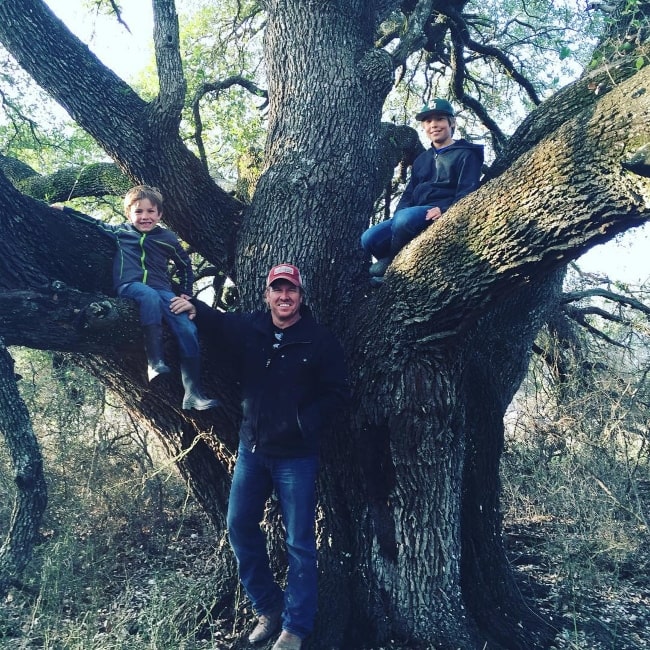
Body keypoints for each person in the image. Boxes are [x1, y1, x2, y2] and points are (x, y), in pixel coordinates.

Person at [170, 263, 349, 650]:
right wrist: (193, 308)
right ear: (267, 294)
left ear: (301, 296)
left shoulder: (319, 340)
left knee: (300, 543)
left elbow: (338, 392)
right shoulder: (252, 327)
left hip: (296, 459)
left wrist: (304, 422)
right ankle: (269, 608)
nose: (284, 296)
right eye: (277, 289)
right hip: (251, 451)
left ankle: (296, 628)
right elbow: (219, 323)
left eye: (291, 290)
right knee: (239, 528)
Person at [52, 185, 219, 411]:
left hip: (163, 290)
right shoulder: (122, 232)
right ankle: (155, 362)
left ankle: (193, 393)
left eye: (150, 211)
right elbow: (94, 223)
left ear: (159, 214)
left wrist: (185, 293)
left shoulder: (168, 238)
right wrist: (66, 210)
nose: (145, 217)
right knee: (147, 296)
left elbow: (185, 266)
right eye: (138, 211)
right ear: (129, 214)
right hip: (130, 285)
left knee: (187, 328)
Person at [361, 98, 484, 283]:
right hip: (412, 215)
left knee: (403, 220)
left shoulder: (466, 154)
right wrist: (399, 213)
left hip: (437, 212)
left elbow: (468, 191)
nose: (433, 125)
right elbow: (409, 193)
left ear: (451, 123)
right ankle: (392, 258)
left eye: (439, 119)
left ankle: (391, 267)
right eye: (428, 121)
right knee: (369, 238)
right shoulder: (422, 160)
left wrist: (445, 210)